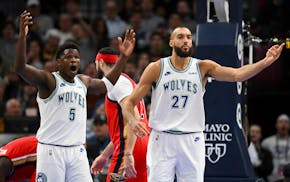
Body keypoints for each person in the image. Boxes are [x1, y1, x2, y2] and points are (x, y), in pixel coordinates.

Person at [122, 26, 284, 182]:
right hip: (162, 138)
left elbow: (237, 75)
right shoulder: (156, 68)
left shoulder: (202, 67)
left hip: (192, 139)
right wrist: (132, 120)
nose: (185, 40)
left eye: (188, 37)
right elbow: (129, 103)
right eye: (180, 37)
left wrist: (265, 62)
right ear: (171, 43)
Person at [15, 10, 136, 182]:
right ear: (58, 62)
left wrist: (123, 57)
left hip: (77, 151)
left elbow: (107, 84)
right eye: (68, 57)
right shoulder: (49, 80)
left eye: (76, 58)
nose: (73, 61)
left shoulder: (83, 81)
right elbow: (20, 68)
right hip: (52, 150)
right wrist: (22, 37)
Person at [91, 47, 149, 182]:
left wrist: (128, 153)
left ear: (100, 62)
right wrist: (105, 155)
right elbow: (124, 129)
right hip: (142, 144)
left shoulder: (117, 83)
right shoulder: (127, 82)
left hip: (129, 148)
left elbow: (132, 117)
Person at [262, 114, 290, 182]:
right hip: (272, 179)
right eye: (281, 122)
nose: (283, 125)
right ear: (276, 125)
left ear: (289, 125)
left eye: (286, 122)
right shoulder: (267, 142)